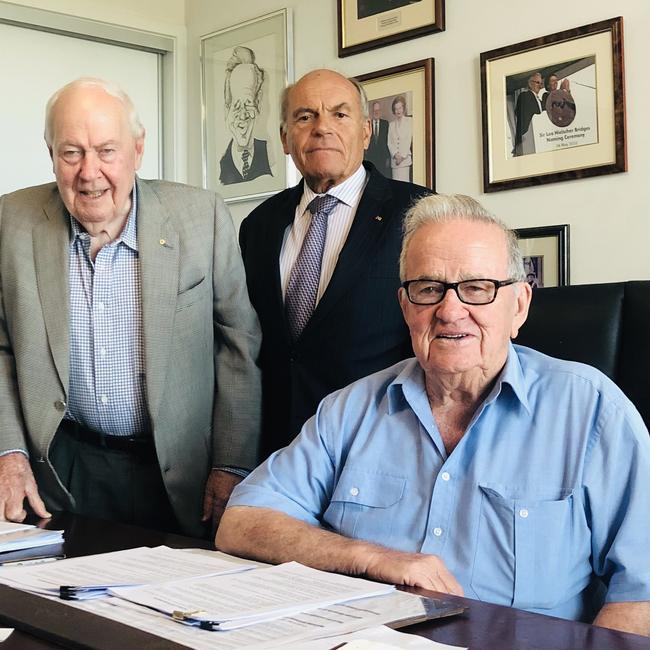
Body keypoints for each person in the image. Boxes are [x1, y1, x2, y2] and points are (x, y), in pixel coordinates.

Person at [219, 193, 650, 636]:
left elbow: (641, 593)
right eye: (428, 288)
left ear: (519, 305)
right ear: (406, 307)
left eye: (477, 288)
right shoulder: (350, 409)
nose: (449, 310)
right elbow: (243, 522)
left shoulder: (592, 412)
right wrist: (372, 557)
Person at [0, 78, 262, 537]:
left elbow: (239, 343)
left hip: (180, 472)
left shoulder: (201, 218)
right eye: (71, 152)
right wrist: (9, 452)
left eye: (106, 151)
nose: (89, 172)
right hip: (63, 467)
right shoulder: (12, 220)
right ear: (51, 155)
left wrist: (232, 464)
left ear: (137, 151)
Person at [238, 69, 429, 458]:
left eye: (340, 114)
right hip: (277, 450)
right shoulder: (257, 226)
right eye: (305, 116)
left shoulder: (418, 215)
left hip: (381, 444)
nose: (322, 128)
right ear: (285, 138)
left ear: (366, 131)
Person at [219, 46, 272, 185]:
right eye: (236, 105)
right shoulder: (221, 164)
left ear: (258, 104)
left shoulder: (271, 158)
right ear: (227, 110)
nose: (242, 116)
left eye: (248, 104)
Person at [513, 72, 542, 156]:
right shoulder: (525, 96)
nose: (540, 86)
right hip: (526, 136)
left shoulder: (539, 100)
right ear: (530, 83)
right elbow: (518, 113)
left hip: (538, 139)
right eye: (537, 83)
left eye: (541, 83)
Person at [387, 95, 413, 181]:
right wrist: (395, 155)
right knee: (396, 187)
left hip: (405, 162)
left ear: (404, 108)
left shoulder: (409, 121)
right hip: (395, 163)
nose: (398, 111)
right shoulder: (391, 124)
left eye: (400, 108)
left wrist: (401, 156)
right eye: (396, 108)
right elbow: (389, 142)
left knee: (405, 186)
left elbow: (408, 140)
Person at [364, 101, 390, 176]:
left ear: (380, 111)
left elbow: (388, 141)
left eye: (378, 110)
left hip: (383, 158)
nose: (376, 112)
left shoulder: (385, 124)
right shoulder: (367, 125)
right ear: (372, 111)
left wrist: (388, 158)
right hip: (371, 158)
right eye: (375, 110)